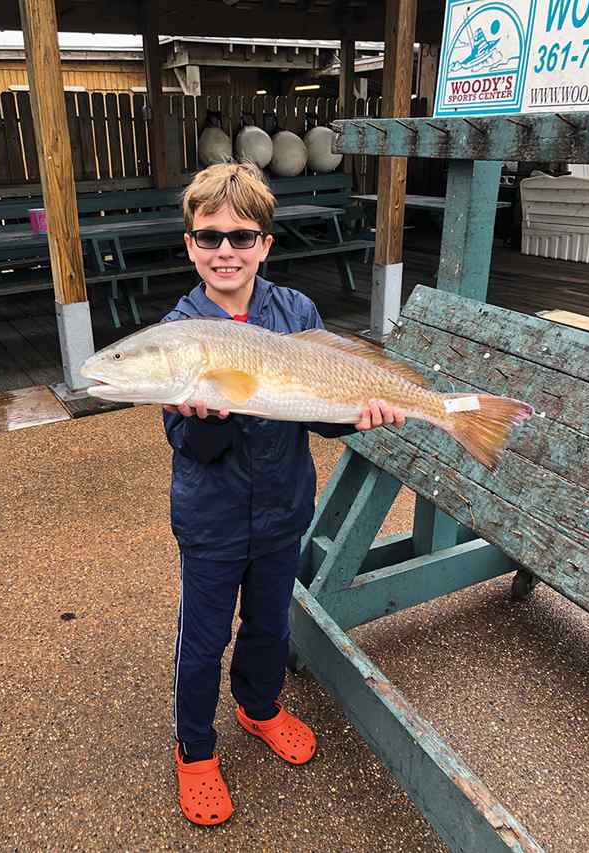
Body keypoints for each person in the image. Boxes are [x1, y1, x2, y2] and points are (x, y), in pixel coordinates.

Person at [161, 162, 405, 826]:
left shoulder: (294, 311)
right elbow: (188, 444)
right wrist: (200, 417)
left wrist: (359, 412)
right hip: (210, 520)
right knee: (203, 639)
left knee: (270, 621)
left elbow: (314, 411)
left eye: (242, 237)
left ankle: (260, 705)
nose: (225, 252)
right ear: (189, 244)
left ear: (266, 243)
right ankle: (196, 748)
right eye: (209, 237)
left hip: (282, 509)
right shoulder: (181, 330)